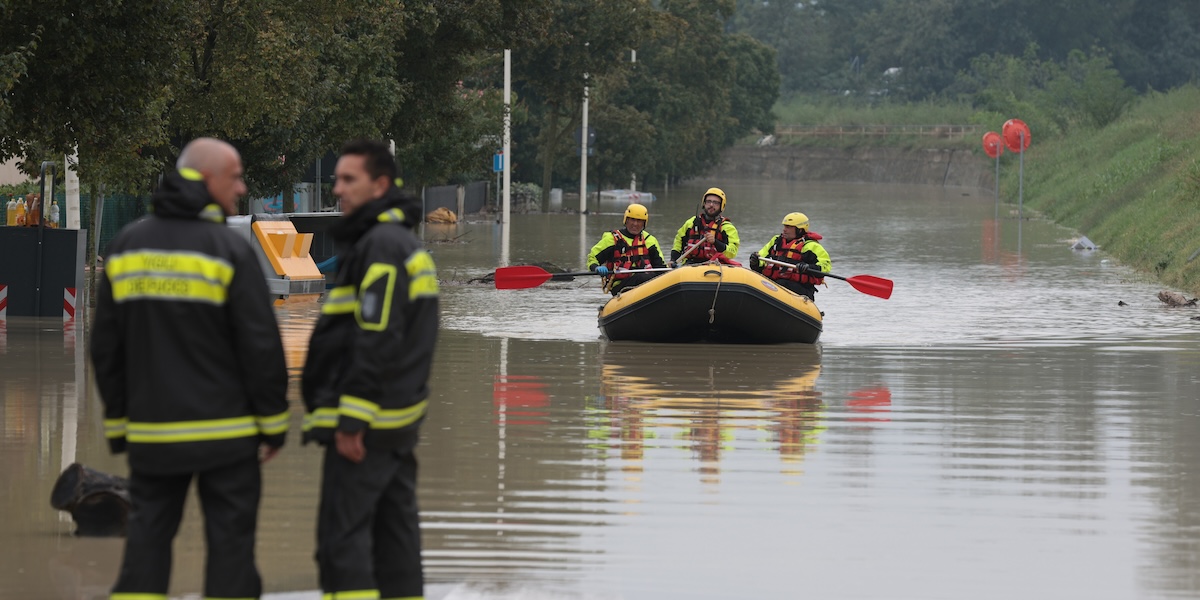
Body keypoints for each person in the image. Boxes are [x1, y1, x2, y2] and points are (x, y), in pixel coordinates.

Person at [90, 137, 289, 600]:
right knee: (232, 555)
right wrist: (273, 426)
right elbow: (261, 347)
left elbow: (106, 350)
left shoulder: (126, 246)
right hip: (229, 438)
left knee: (145, 549)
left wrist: (120, 427)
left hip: (155, 436)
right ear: (206, 179)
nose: (240, 187)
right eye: (234, 176)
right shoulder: (229, 250)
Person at [301, 139, 439, 600]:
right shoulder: (401, 244)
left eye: (348, 180)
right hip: (396, 421)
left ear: (380, 185)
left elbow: (375, 337)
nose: (337, 189)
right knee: (396, 540)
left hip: (368, 426)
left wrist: (352, 419)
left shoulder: (379, 247)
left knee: (342, 547)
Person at [586, 203, 667, 295]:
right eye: (632, 220)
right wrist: (596, 267)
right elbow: (592, 258)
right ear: (626, 220)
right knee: (642, 277)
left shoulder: (650, 241)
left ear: (644, 223)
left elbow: (660, 268)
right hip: (621, 286)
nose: (635, 224)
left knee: (650, 277)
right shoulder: (611, 239)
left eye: (639, 221)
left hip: (647, 283)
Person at [749, 212, 831, 299]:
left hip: (800, 290)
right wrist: (755, 261)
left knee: (781, 284)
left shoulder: (810, 246)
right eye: (784, 226)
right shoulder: (776, 241)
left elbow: (825, 266)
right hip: (774, 284)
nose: (784, 229)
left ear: (799, 230)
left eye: (788, 227)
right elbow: (762, 258)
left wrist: (808, 267)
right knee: (758, 281)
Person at [671, 187, 740, 266]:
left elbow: (732, 252)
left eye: (715, 203)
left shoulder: (727, 227)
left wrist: (715, 242)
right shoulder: (691, 223)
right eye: (708, 201)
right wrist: (673, 259)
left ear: (722, 206)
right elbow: (678, 242)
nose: (711, 205)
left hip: (717, 265)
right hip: (691, 265)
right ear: (704, 203)